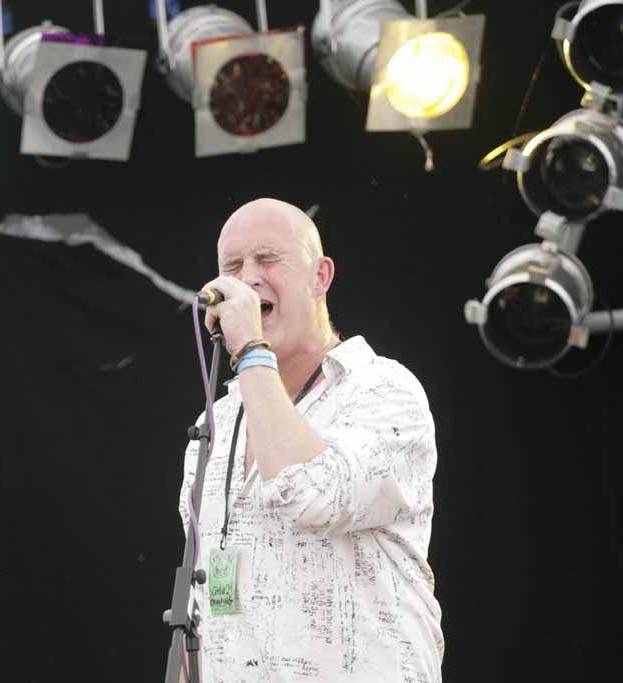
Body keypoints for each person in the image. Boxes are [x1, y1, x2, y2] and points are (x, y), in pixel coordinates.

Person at [179, 198, 443, 682]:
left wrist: (252, 352)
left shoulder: (383, 391)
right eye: (233, 267)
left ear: (320, 276)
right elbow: (202, 605)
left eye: (268, 259)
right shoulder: (217, 420)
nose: (249, 278)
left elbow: (310, 493)